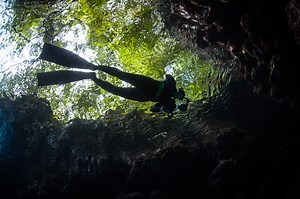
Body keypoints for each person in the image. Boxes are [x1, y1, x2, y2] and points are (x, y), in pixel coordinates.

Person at [37, 43, 189, 115]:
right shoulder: (171, 87)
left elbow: (153, 109)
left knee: (117, 89)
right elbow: (168, 77)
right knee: (121, 75)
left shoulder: (169, 105)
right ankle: (94, 67)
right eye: (182, 98)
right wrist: (174, 89)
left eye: (180, 101)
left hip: (146, 95)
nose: (179, 100)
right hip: (151, 85)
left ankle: (92, 75)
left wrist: (166, 108)